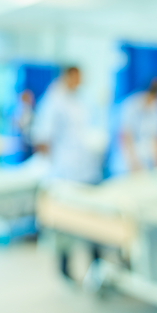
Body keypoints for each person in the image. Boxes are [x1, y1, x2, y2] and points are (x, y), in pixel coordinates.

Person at [31, 66, 105, 281]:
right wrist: (51, 169)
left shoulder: (81, 101)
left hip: (87, 169)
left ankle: (96, 266)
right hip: (64, 172)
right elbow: (43, 138)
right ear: (67, 77)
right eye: (76, 78)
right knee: (65, 224)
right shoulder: (53, 101)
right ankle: (65, 269)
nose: (79, 83)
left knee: (94, 220)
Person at [111, 77, 157, 176]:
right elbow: (125, 136)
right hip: (127, 164)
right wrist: (134, 163)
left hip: (148, 162)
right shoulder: (130, 105)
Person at [14, 89, 35, 160]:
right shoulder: (23, 109)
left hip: (29, 140)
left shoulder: (27, 109)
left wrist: (17, 123)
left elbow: (23, 124)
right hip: (26, 139)